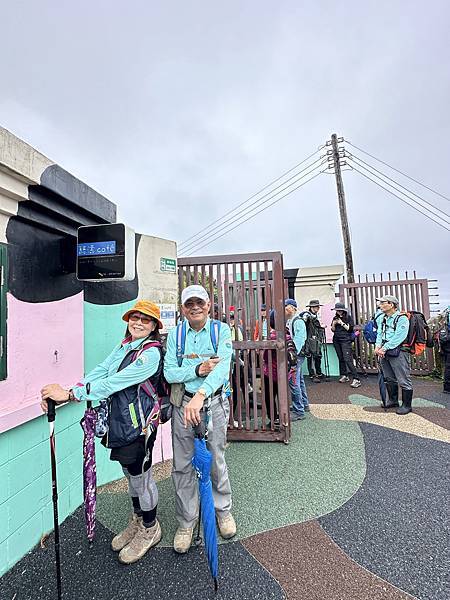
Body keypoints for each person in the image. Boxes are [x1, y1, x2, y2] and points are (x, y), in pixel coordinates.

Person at [40, 300, 165, 564]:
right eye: (135, 318)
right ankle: (138, 519)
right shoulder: (125, 346)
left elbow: (114, 382)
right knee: (130, 474)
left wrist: (71, 395)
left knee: (141, 477)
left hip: (139, 426)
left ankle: (151, 528)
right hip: (121, 423)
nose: (138, 323)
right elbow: (101, 371)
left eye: (145, 320)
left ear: (154, 326)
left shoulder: (150, 354)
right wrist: (68, 390)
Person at [164, 284, 235, 554]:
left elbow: (222, 370)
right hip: (182, 405)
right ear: (183, 308)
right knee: (182, 464)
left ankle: (223, 510)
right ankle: (186, 521)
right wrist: (198, 368)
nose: (195, 307)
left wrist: (200, 393)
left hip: (213, 402)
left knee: (215, 459)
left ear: (208, 305)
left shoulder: (220, 331)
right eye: (189, 303)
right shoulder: (176, 335)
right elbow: (170, 374)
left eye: (199, 302)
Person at [375, 295, 412, 414]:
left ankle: (407, 405)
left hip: (398, 351)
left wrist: (384, 348)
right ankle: (393, 400)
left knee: (403, 378)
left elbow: (399, 337)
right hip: (384, 351)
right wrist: (377, 346)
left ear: (391, 305)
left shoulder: (402, 318)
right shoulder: (382, 318)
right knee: (389, 377)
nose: (380, 305)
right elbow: (380, 333)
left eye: (382, 303)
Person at [285, 299, 309, 420]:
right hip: (298, 355)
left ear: (293, 308)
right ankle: (304, 405)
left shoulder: (297, 321)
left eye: (287, 307)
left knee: (294, 382)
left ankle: (298, 410)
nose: (285, 309)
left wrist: (292, 355)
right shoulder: (291, 321)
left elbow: (299, 339)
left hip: (296, 356)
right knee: (299, 381)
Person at [331, 302, 361, 388]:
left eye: (340, 310)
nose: (339, 312)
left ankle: (356, 379)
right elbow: (333, 330)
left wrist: (341, 323)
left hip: (345, 340)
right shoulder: (335, 318)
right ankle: (344, 375)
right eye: (337, 310)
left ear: (343, 310)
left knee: (347, 359)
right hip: (336, 339)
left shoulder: (348, 318)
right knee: (341, 358)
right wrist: (334, 323)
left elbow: (350, 329)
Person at [303, 299, 325, 382]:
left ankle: (318, 373)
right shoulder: (308, 316)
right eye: (316, 307)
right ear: (312, 307)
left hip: (316, 340)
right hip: (310, 340)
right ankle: (313, 375)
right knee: (311, 357)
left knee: (318, 356)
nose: (318, 308)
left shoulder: (315, 316)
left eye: (318, 306)